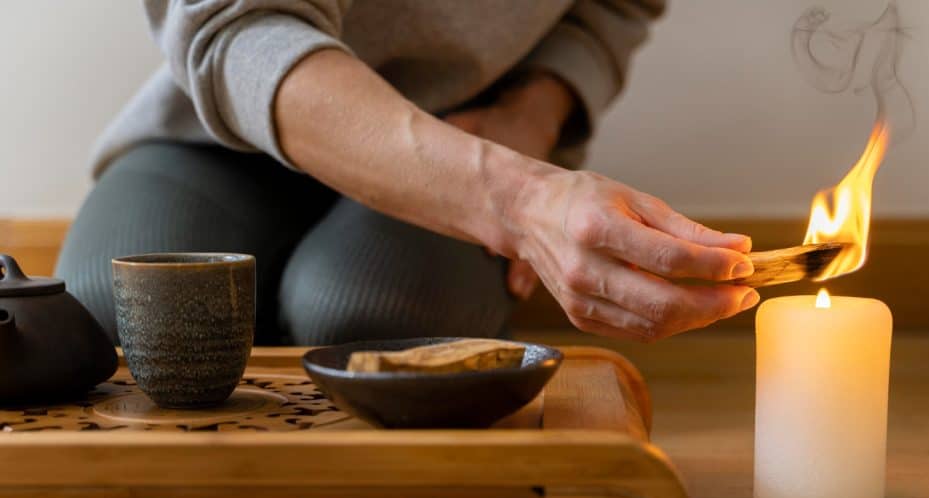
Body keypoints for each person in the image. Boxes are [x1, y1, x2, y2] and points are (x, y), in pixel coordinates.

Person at [56, 1, 759, 346]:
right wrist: (517, 199)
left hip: (469, 127)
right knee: (118, 310)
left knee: (368, 320)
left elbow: (613, 7)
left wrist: (531, 116)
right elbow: (236, 25)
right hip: (225, 132)